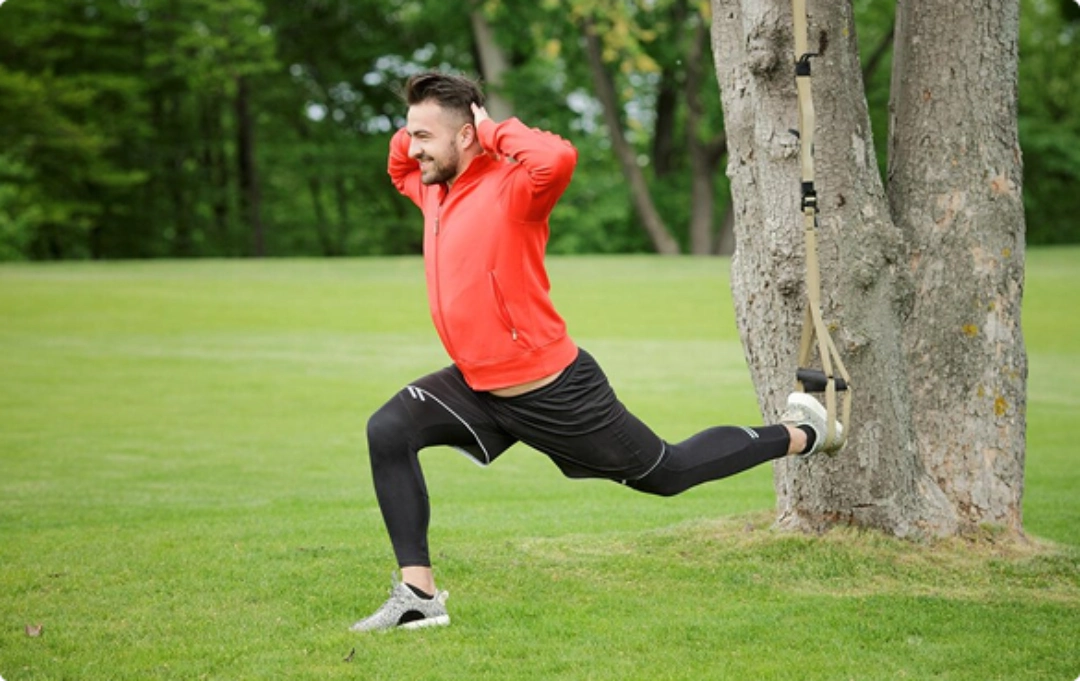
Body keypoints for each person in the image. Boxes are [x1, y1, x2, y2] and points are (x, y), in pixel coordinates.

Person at [351, 71, 844, 632]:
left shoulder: (515, 188)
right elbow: (398, 161)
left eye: (423, 137)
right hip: (476, 383)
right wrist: (425, 116)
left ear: (468, 136)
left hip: (552, 390)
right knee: (388, 429)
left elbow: (556, 158)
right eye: (409, 135)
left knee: (667, 470)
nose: (411, 149)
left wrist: (486, 127)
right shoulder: (430, 187)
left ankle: (803, 433)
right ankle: (418, 594)